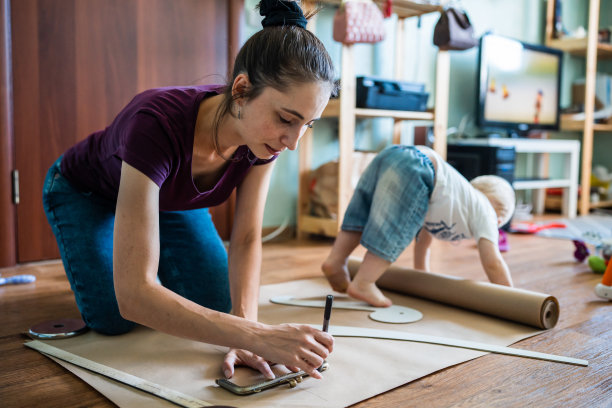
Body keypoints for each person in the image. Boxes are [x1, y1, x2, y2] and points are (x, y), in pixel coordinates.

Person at [42, 0, 336, 381]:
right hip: (86, 192)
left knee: (216, 303)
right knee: (115, 315)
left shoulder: (265, 139)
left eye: (307, 125)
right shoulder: (155, 123)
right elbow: (134, 296)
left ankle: (145, 248)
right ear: (242, 90)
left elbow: (246, 237)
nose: (293, 142)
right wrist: (261, 335)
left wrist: (246, 329)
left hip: (171, 199)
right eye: (286, 119)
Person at [322, 144, 516, 307]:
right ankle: (364, 282)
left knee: (361, 213)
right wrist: (512, 300)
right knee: (395, 226)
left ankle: (336, 261)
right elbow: (493, 262)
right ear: (500, 216)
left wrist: (422, 276)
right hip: (418, 165)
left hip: (390, 155)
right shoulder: (487, 212)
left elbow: (424, 239)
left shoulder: (455, 201)